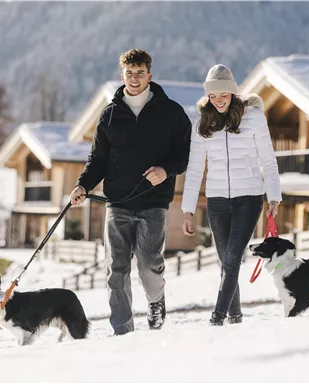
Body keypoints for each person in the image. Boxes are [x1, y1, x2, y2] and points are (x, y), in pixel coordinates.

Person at [70, 49, 192, 335]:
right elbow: (97, 160)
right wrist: (82, 185)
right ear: (121, 75)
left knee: (149, 264)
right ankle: (122, 332)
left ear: (149, 75)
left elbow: (186, 154)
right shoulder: (110, 115)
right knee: (116, 269)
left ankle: (155, 300)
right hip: (117, 203)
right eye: (129, 73)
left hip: (154, 203)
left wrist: (166, 170)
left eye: (140, 73)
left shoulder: (172, 112)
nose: (134, 78)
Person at [181, 64, 281, 326]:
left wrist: (274, 196)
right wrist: (188, 210)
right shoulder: (203, 122)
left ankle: (217, 317)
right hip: (216, 202)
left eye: (223, 94)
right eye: (212, 96)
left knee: (233, 258)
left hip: (249, 198)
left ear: (233, 92)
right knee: (226, 262)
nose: (218, 100)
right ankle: (235, 317)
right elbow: (193, 169)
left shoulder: (254, 117)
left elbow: (268, 160)